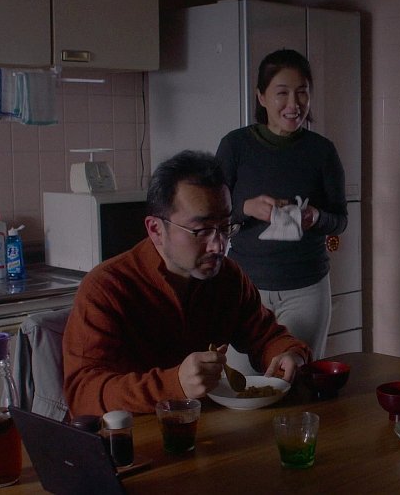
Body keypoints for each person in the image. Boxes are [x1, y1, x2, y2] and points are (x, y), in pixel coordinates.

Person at [63, 150, 311, 416]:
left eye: (225, 227)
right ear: (156, 230)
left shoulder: (227, 277)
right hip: (131, 435)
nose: (218, 246)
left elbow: (266, 336)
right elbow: (83, 395)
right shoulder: (106, 288)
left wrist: (291, 354)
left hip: (200, 427)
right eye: (201, 231)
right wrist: (174, 384)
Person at [216, 49, 347, 361]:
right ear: (261, 97)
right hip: (245, 289)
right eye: (282, 92)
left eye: (302, 92)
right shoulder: (235, 146)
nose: (294, 103)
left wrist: (316, 217)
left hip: (306, 289)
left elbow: (340, 220)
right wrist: (246, 208)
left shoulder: (322, 151)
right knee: (242, 382)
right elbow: (212, 215)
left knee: (296, 376)